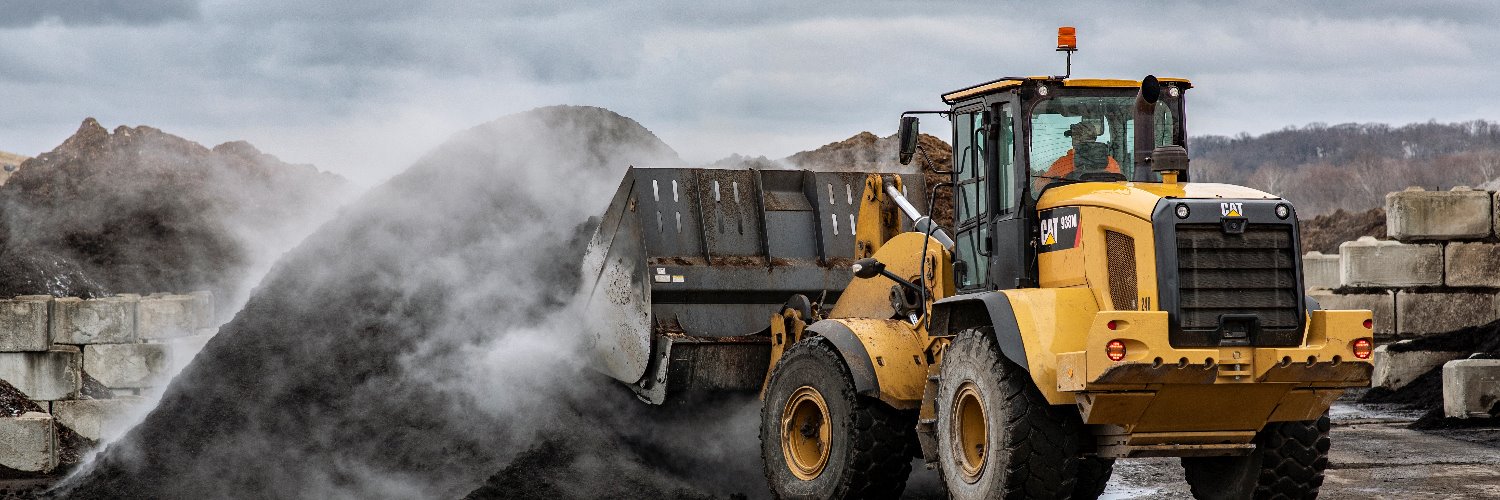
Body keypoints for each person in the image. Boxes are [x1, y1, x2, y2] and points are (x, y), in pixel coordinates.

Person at [1038, 121, 1120, 184]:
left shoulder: (1063, 163)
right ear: (1093, 138)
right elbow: (1119, 185)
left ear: (1076, 139)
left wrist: (1039, 176)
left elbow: (1041, 186)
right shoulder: (1112, 163)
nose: (1073, 139)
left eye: (1074, 136)